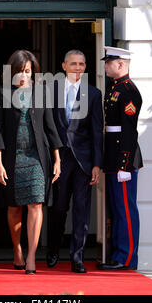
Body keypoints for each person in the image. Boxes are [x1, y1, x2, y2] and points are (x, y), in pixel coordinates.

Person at [0, 50, 62, 274]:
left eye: (28, 72)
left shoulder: (42, 93)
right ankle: (17, 249)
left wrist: (57, 158)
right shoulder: (2, 94)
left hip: (37, 158)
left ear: (34, 72)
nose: (24, 76)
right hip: (13, 158)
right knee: (14, 207)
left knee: (36, 204)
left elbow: (51, 128)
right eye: (20, 72)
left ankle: (31, 256)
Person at [47, 50, 104, 273]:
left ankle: (77, 258)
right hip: (59, 159)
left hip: (84, 161)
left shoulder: (93, 93)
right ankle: (53, 250)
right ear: (64, 66)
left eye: (81, 64)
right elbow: (46, 126)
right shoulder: (50, 91)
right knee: (59, 208)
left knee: (82, 209)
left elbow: (97, 131)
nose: (78, 68)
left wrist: (97, 164)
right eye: (73, 64)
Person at [97, 46, 143, 270]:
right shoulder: (115, 88)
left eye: (109, 62)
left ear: (121, 64)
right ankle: (117, 254)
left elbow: (128, 131)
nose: (105, 65)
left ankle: (126, 259)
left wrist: (125, 164)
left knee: (125, 208)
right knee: (117, 208)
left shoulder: (129, 91)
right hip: (113, 155)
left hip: (123, 158)